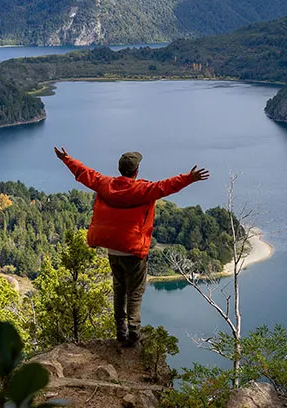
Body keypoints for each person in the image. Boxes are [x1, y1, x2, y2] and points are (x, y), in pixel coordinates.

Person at [54, 146, 209, 347]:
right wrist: (190, 178)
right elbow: (166, 186)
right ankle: (134, 336)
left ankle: (121, 333)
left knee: (119, 290)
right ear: (136, 171)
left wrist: (67, 159)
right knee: (134, 293)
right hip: (134, 251)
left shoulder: (105, 184)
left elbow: (84, 173)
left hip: (112, 249)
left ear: (120, 169)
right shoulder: (142, 190)